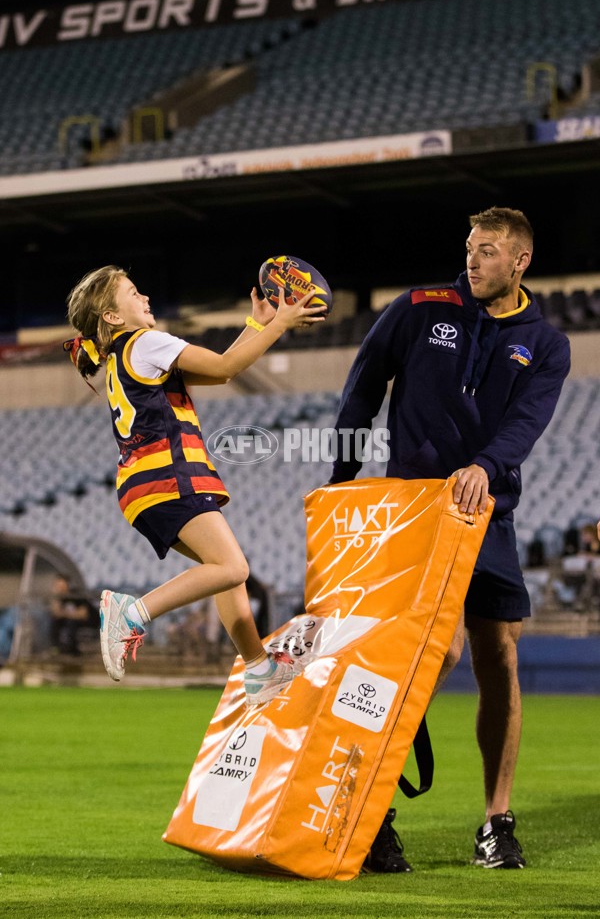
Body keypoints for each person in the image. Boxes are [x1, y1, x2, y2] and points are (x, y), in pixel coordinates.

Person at [330, 207, 570, 870]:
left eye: (488, 251)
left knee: (498, 655)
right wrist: (341, 478)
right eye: (469, 248)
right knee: (423, 661)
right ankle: (373, 812)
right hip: (411, 510)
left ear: (520, 261)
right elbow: (361, 391)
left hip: (487, 514)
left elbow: (526, 423)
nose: (472, 260)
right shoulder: (417, 308)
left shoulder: (546, 346)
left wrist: (484, 468)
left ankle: (497, 822)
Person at [64, 265, 324, 706]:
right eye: (132, 292)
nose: (144, 297)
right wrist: (278, 323)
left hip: (142, 486)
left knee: (224, 573)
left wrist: (256, 325)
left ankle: (259, 669)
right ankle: (131, 613)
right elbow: (226, 365)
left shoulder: (122, 355)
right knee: (234, 569)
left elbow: (223, 372)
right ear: (112, 316)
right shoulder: (146, 342)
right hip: (168, 477)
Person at [48, 573, 91, 656]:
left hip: (84, 623)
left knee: (71, 622)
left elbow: (83, 614)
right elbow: (55, 613)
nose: (60, 588)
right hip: (67, 622)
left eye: (62, 585)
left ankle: (71, 649)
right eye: (58, 585)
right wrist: (56, 596)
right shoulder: (59, 597)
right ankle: (56, 648)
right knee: (54, 622)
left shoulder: (76, 595)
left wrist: (65, 614)